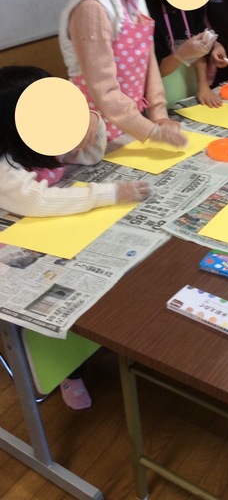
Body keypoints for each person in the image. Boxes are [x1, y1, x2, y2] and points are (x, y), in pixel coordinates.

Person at [0, 65, 152, 408]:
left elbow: (91, 156)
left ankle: (98, 339)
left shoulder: (47, 133)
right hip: (24, 232)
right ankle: (69, 371)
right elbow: (37, 202)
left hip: (57, 224)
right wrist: (111, 194)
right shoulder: (6, 163)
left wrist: (91, 121)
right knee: (50, 296)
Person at [59, 0, 187, 147]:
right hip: (97, 127)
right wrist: (151, 131)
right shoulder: (91, 8)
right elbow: (104, 91)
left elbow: (148, 59)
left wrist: (159, 114)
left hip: (132, 124)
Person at [145, 0, 221, 108]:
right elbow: (153, 70)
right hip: (157, 102)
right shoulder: (147, 6)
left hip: (190, 95)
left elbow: (198, 40)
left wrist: (203, 86)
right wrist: (180, 55)